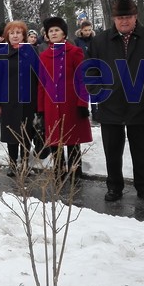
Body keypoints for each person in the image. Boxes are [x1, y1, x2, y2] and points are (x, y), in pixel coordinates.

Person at [87, 0, 144, 203]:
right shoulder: (100, 41)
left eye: (128, 16)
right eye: (120, 18)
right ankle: (114, 187)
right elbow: (90, 70)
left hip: (141, 103)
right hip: (110, 104)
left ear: (135, 17)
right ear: (114, 19)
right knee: (112, 151)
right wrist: (98, 91)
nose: (124, 21)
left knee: (141, 150)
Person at [37, 16, 93, 181]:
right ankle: (59, 172)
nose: (53, 33)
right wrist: (41, 109)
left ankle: (75, 173)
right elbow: (41, 84)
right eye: (50, 31)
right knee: (55, 141)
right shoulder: (44, 56)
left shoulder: (75, 52)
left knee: (72, 140)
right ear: (47, 35)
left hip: (71, 104)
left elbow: (82, 79)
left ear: (64, 34)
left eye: (57, 30)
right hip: (51, 105)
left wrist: (83, 103)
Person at [0, 21, 39, 177]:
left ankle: (25, 164)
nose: (15, 36)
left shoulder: (32, 51)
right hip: (9, 100)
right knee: (11, 133)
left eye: (18, 32)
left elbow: (40, 77)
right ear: (7, 36)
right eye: (12, 33)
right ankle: (12, 165)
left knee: (26, 133)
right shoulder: (2, 53)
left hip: (28, 100)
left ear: (24, 35)